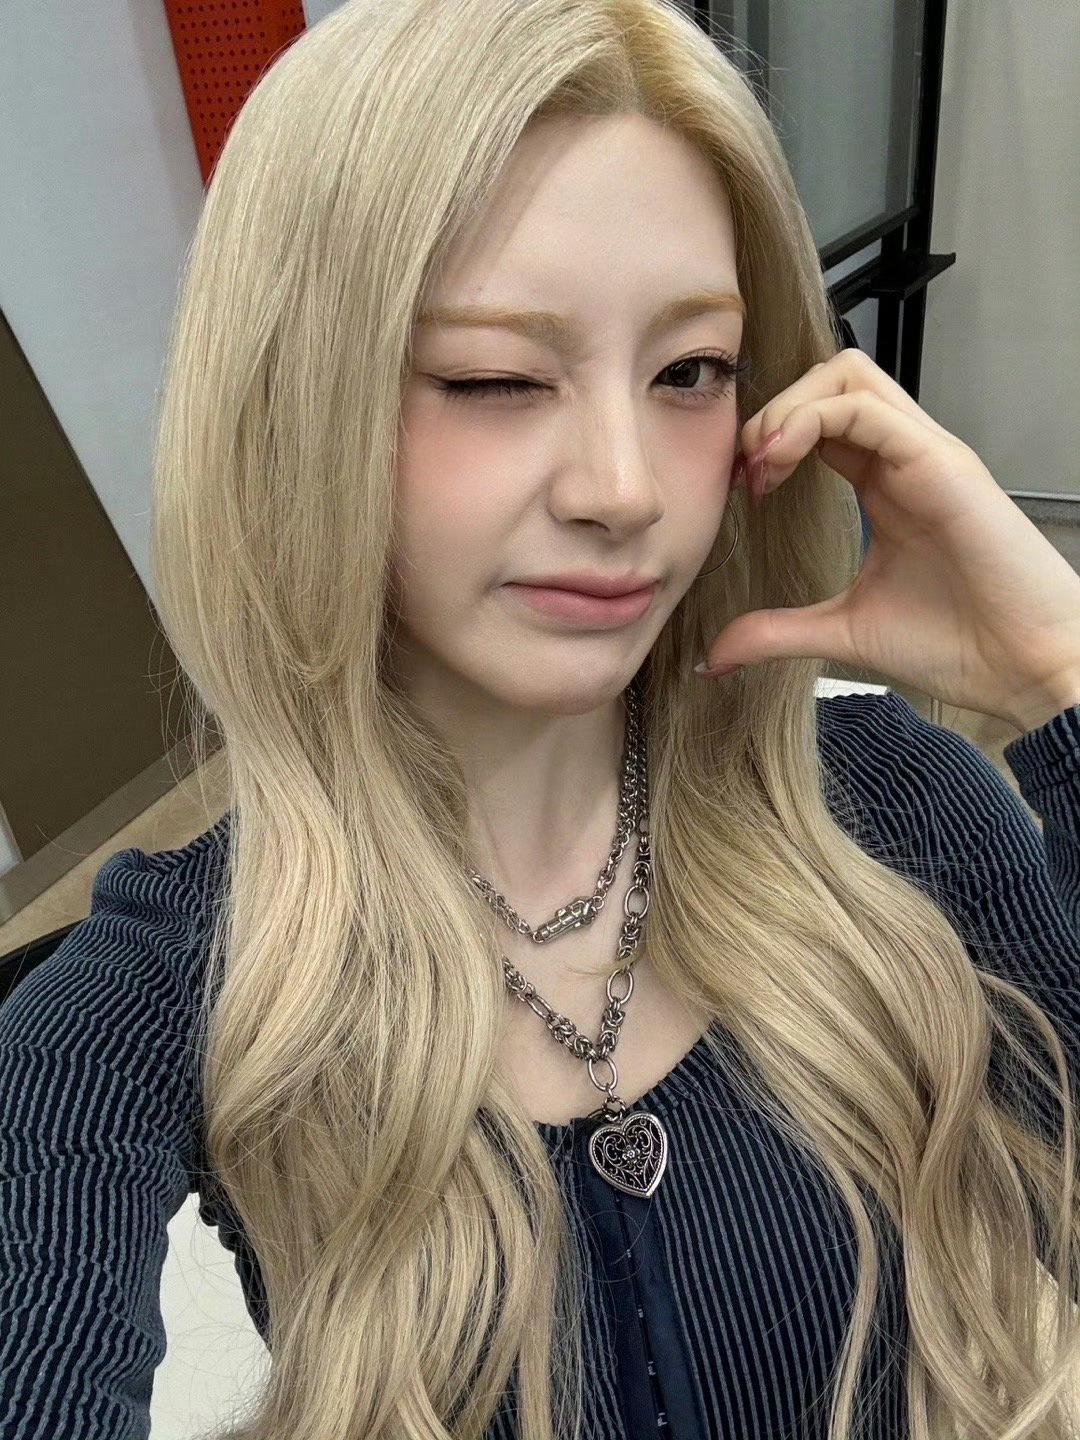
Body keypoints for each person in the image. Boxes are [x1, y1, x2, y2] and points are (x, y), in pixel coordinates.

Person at [3, 1, 1080, 1437]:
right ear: (295, 410)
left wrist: (1063, 679)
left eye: (691, 371)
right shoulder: (158, 994)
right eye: (495, 380)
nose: (625, 488)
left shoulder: (901, 811)